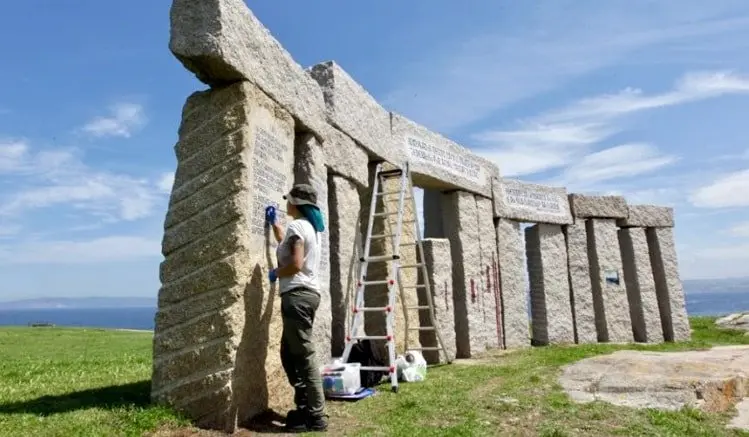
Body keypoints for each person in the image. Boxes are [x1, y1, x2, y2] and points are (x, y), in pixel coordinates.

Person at [265, 183, 327, 432]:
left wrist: (276, 272)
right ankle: (304, 407)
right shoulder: (308, 228)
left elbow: (296, 263)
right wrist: (275, 226)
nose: (286, 203)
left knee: (303, 355)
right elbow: (288, 247)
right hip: (308, 295)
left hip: (297, 296)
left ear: (297, 204)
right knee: (288, 353)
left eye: (288, 200)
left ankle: (316, 415)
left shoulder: (298, 226)